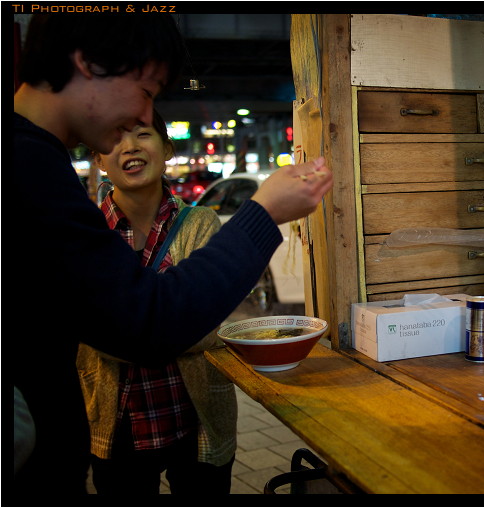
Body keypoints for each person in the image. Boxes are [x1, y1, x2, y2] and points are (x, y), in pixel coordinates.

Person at [12, 13, 332, 499]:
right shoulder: (27, 168)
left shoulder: (35, 160)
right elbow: (147, 322)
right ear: (90, 63)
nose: (143, 118)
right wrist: (264, 213)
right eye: (147, 90)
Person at [76, 109, 237, 495]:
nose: (129, 146)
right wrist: (172, 322)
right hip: (115, 426)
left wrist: (132, 331)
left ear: (166, 150)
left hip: (197, 421)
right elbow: (86, 324)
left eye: (143, 134)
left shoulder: (201, 225)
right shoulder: (84, 233)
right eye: (114, 138)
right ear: (98, 157)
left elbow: (214, 324)